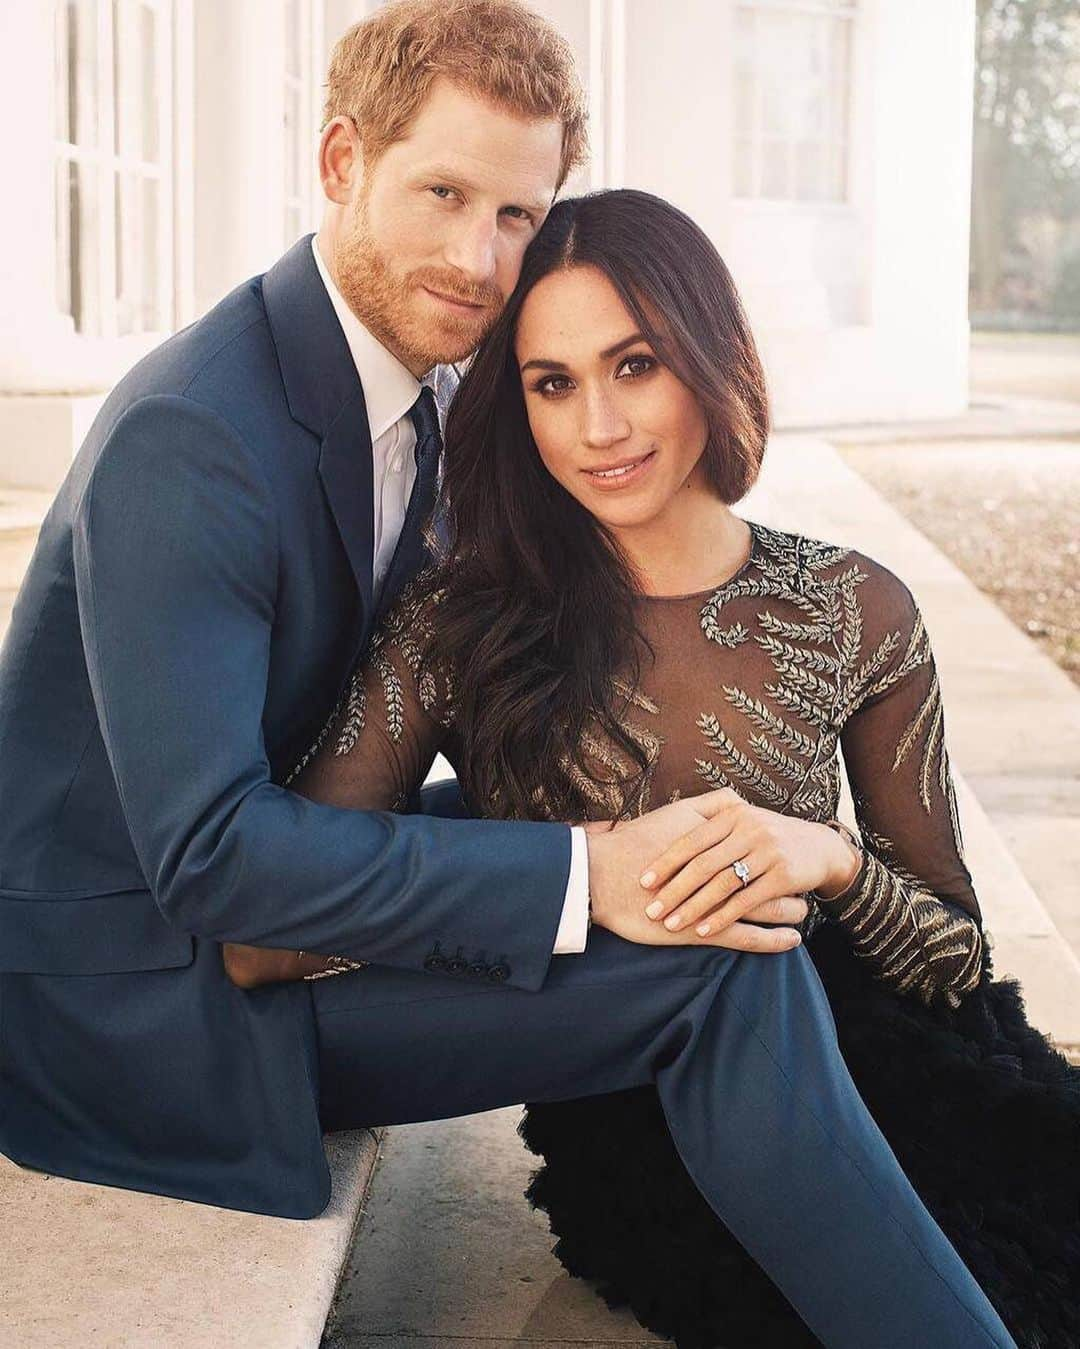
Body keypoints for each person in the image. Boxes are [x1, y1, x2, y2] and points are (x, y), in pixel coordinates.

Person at [222, 188, 1031, 1349]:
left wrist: (834, 860)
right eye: (553, 383)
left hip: (881, 1074)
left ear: (710, 358)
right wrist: (548, 884)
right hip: (644, 1135)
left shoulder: (853, 607)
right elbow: (281, 908)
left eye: (636, 363)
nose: (599, 425)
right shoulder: (464, 626)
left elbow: (957, 952)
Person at [0, 0, 747, 1223]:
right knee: (710, 963)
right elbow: (209, 856)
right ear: (344, 163)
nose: (481, 261)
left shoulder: (427, 383)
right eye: (443, 195)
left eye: (518, 215)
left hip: (283, 882)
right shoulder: (195, 433)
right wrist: (578, 869)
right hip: (137, 999)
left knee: (701, 847)